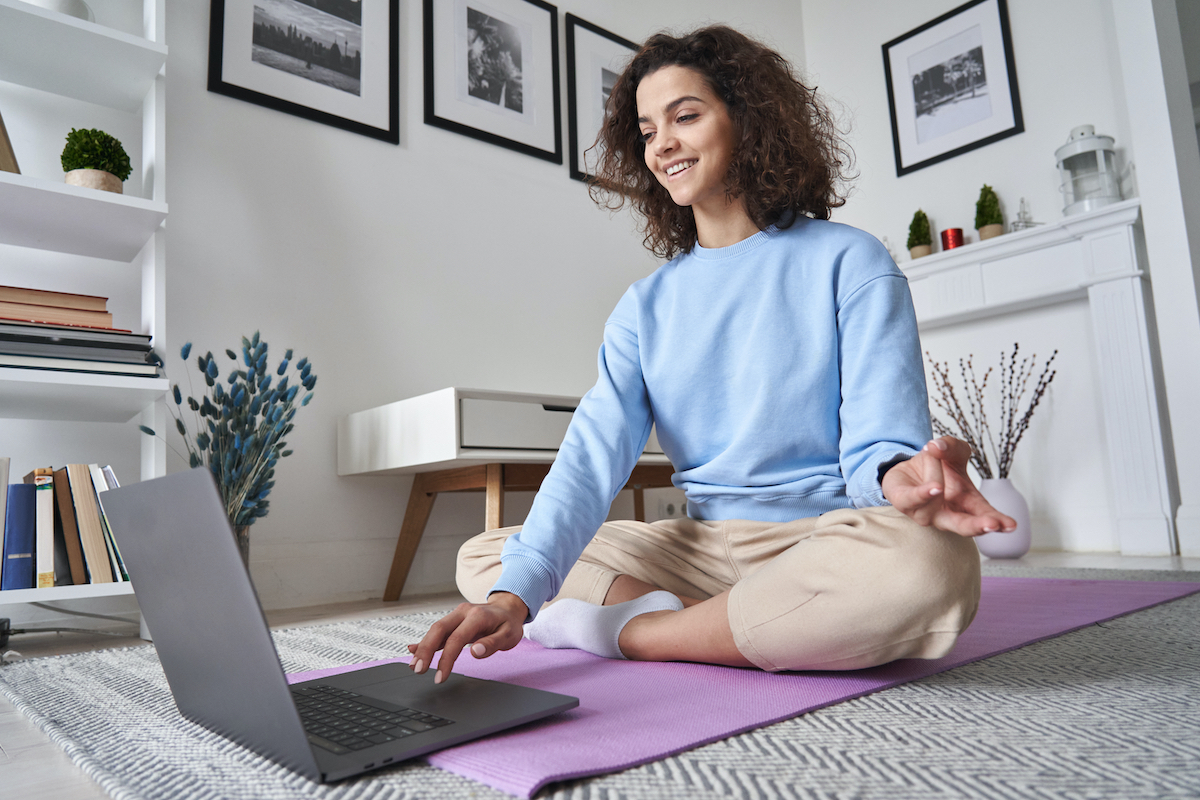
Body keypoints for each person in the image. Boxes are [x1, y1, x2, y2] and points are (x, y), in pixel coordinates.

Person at [409, 25, 1015, 683]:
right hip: (696, 546)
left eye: (686, 116)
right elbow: (591, 458)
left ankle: (638, 632)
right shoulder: (644, 307)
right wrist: (513, 596)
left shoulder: (851, 260)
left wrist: (906, 476)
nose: (662, 142)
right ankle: (740, 621)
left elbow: (881, 444)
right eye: (647, 131)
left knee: (931, 563)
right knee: (490, 557)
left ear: (748, 121)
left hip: (821, 535)